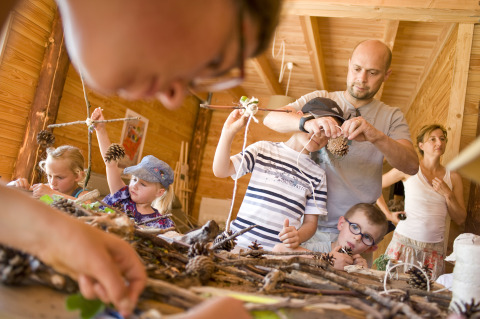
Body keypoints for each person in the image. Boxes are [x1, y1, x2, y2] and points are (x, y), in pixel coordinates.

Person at [0, 0, 282, 315]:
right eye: (194, 51)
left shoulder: (161, 222)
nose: (175, 98)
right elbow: (110, 168)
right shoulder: (120, 199)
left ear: (161, 191)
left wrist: (48, 230)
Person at [263, 39, 419, 254]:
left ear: (386, 75)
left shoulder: (392, 116)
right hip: (304, 225)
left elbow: (411, 165)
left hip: (354, 234)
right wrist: (306, 123)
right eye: (357, 69)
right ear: (349, 65)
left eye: (372, 73)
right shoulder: (320, 99)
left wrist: (377, 137)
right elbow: (270, 118)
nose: (361, 79)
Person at [213, 97, 345, 250]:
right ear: (299, 117)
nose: (320, 135)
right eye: (318, 125)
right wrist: (228, 133)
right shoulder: (263, 149)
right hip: (236, 245)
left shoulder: (318, 175)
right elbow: (221, 170)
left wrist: (298, 236)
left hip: (275, 256)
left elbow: (310, 223)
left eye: (328, 133)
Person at [376, 124, 466, 279]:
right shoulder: (409, 169)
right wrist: (388, 214)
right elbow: (374, 185)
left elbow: (460, 218)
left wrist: (448, 194)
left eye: (442, 139)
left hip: (434, 251)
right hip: (403, 244)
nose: (439, 142)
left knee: (425, 298)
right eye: (433, 139)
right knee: (391, 291)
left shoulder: (453, 178)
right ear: (421, 145)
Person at [91, 108, 175, 229]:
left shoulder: (161, 223)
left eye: (143, 184)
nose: (134, 186)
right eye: (134, 179)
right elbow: (111, 163)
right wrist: (101, 130)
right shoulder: (122, 196)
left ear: (159, 192)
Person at [274, 203, 388, 271]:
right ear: (341, 224)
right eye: (355, 227)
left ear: (370, 248)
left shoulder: (359, 265)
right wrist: (326, 260)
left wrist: (362, 274)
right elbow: (278, 250)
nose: (357, 238)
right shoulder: (319, 248)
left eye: (367, 237)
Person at [7, 145, 89, 200]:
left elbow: (88, 208)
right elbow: (5, 190)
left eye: (59, 177)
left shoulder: (82, 195)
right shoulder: (45, 189)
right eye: (49, 176)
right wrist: (15, 185)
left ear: (77, 176)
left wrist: (52, 194)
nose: (52, 182)